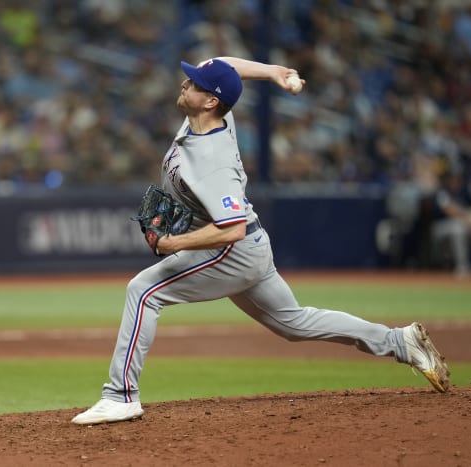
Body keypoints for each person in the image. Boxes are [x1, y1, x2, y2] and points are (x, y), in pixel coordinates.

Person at [71, 57, 450, 425]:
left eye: (193, 83)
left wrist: (175, 243)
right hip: (250, 245)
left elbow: (231, 228)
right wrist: (275, 72)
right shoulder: (212, 115)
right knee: (295, 324)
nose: (184, 82)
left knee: (144, 291)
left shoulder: (212, 161)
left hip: (233, 250)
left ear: (210, 101)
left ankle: (120, 396)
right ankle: (400, 342)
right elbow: (222, 65)